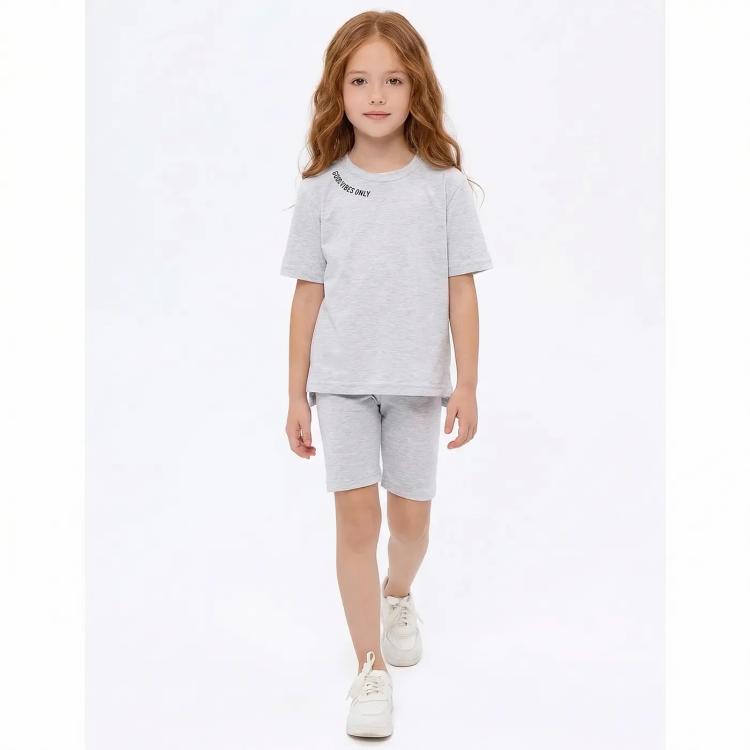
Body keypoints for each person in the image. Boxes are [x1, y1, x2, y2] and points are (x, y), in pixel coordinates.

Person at [280, 10, 494, 738]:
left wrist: (467, 383)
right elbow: (307, 294)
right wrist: (295, 393)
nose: (376, 95)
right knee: (355, 519)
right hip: (341, 381)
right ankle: (369, 666)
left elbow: (461, 289)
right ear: (337, 91)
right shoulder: (321, 189)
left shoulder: (443, 187)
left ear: (416, 88)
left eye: (393, 80)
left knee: (409, 523)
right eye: (360, 80)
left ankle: (397, 593)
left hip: (417, 384)